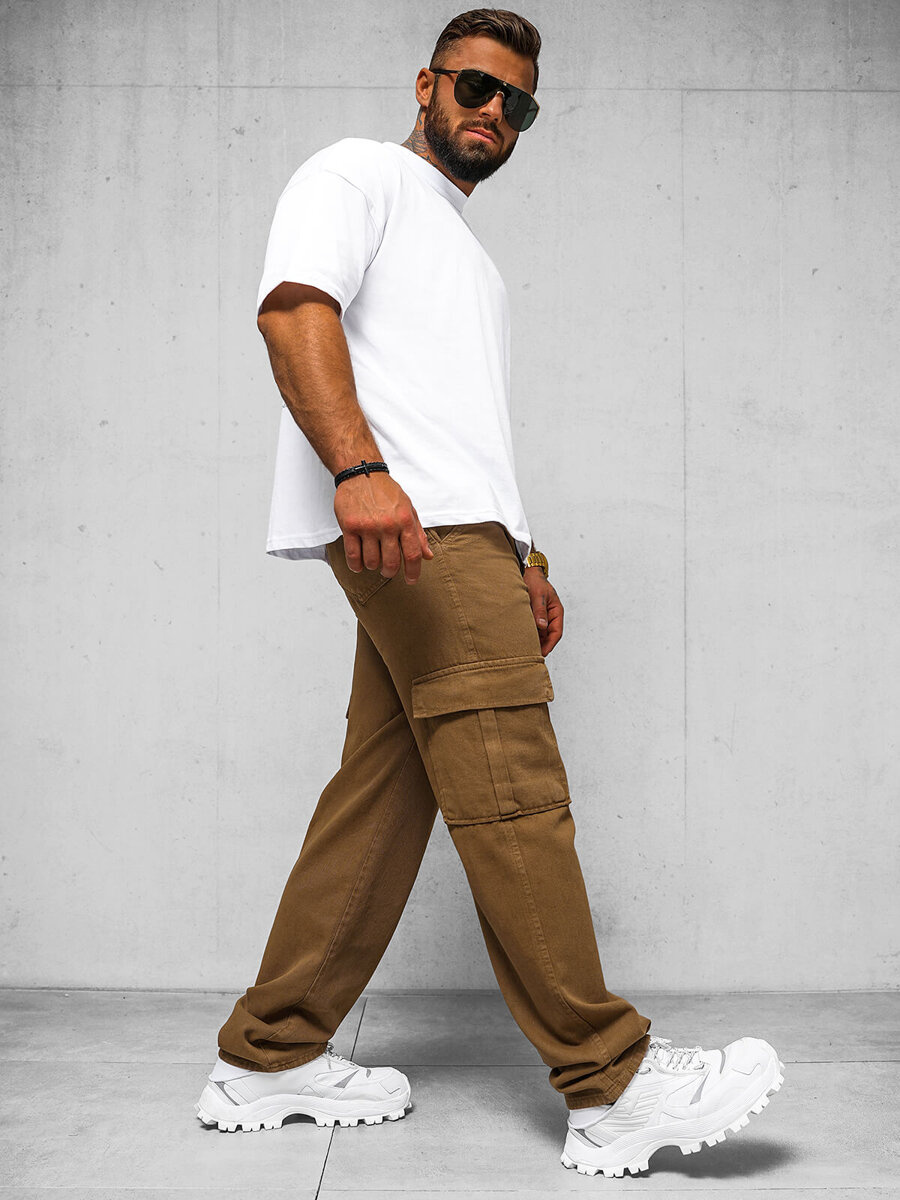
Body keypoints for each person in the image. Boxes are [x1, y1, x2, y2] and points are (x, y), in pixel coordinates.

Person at [194, 7, 784, 1178]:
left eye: (517, 104)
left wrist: (525, 556)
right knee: (515, 791)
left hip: (459, 537)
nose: (493, 114)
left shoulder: (463, 249)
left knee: (383, 796)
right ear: (426, 84)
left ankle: (270, 1053)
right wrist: (357, 472)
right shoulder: (357, 174)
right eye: (475, 87)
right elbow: (294, 310)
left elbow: (457, 425)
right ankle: (610, 1081)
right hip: (410, 526)